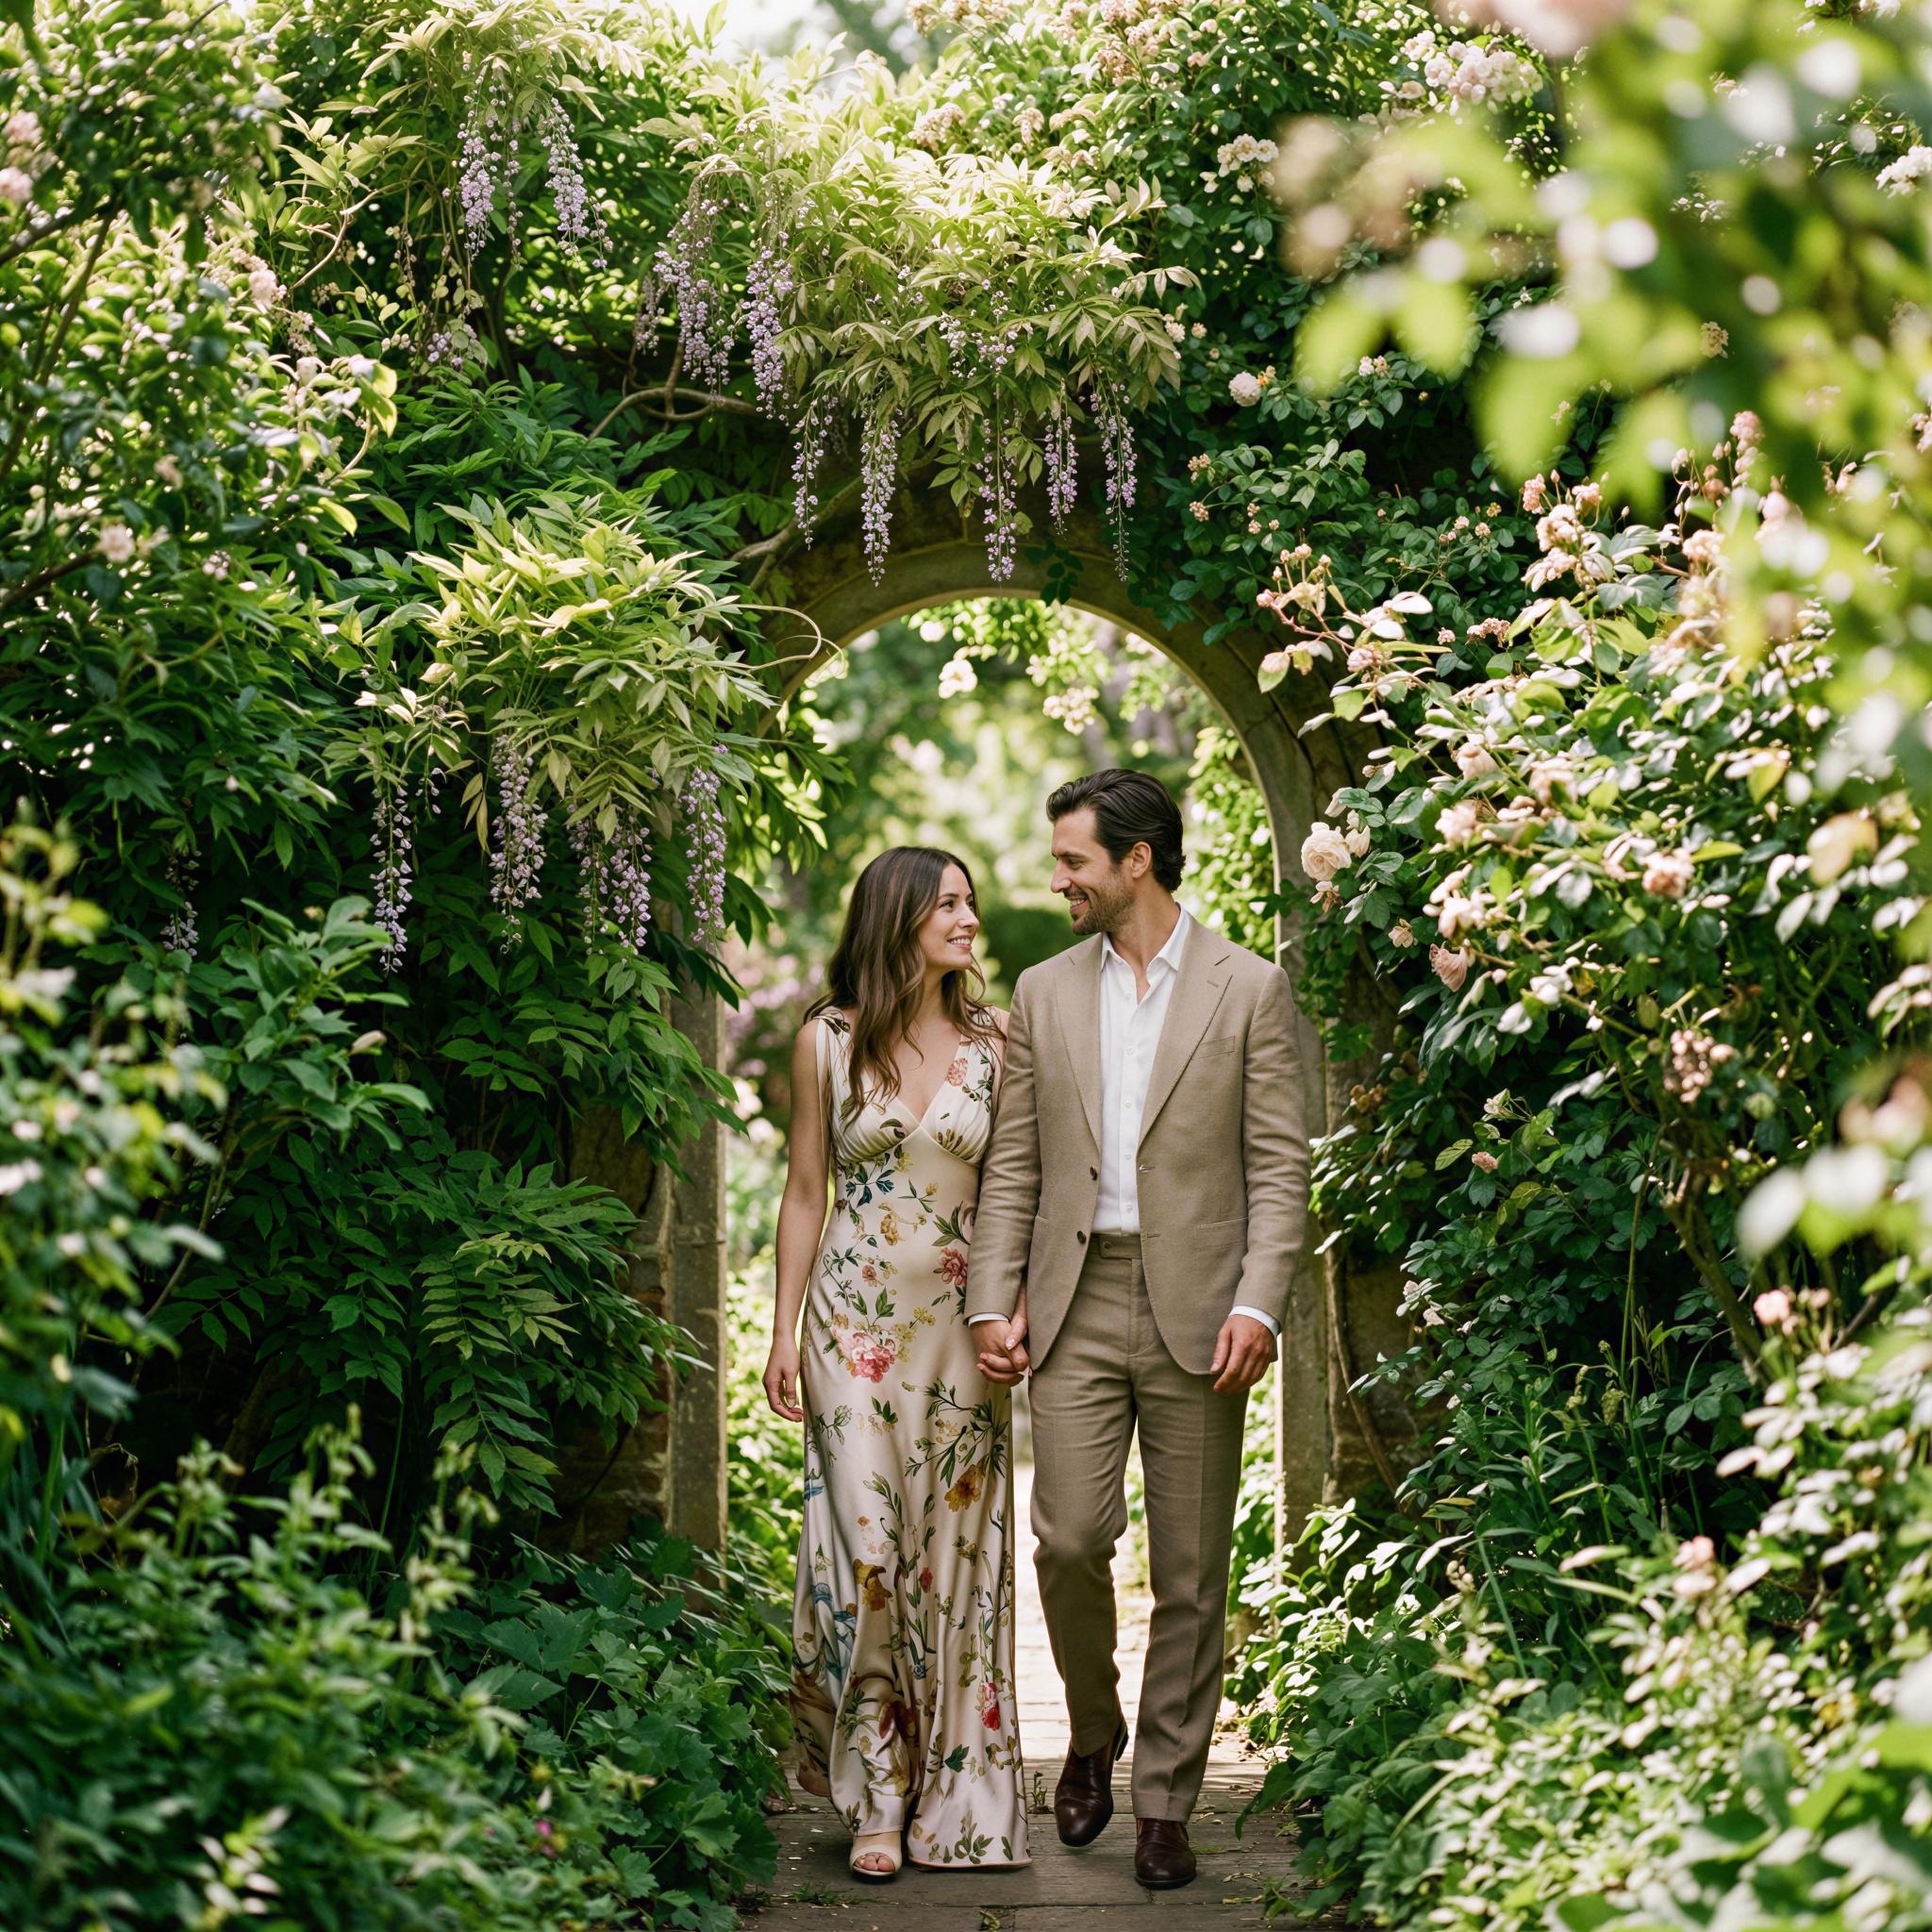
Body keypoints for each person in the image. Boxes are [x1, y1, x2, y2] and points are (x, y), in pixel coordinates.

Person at [970, 769, 1309, 1891]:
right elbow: (1011, 1164)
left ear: (1136, 860)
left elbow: (1277, 1163)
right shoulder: (1041, 990)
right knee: (1064, 1541)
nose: (1054, 878)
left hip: (1204, 1309)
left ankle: (1165, 1801)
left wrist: (1259, 1301)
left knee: (1191, 1572)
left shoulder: (1248, 988)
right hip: (1068, 1303)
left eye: (1071, 859)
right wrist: (990, 1294)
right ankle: (1091, 1726)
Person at [764, 846, 1030, 1883]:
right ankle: (875, 1790)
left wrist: (1014, 1313)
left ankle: (956, 1797)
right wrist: (781, 1329)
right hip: (848, 1330)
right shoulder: (824, 1042)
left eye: (967, 901)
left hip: (960, 1336)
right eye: (950, 903)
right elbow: (802, 1192)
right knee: (866, 1555)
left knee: (955, 1559)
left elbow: (1023, 1194)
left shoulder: (998, 1040)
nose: (969, 917)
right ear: (900, 917)